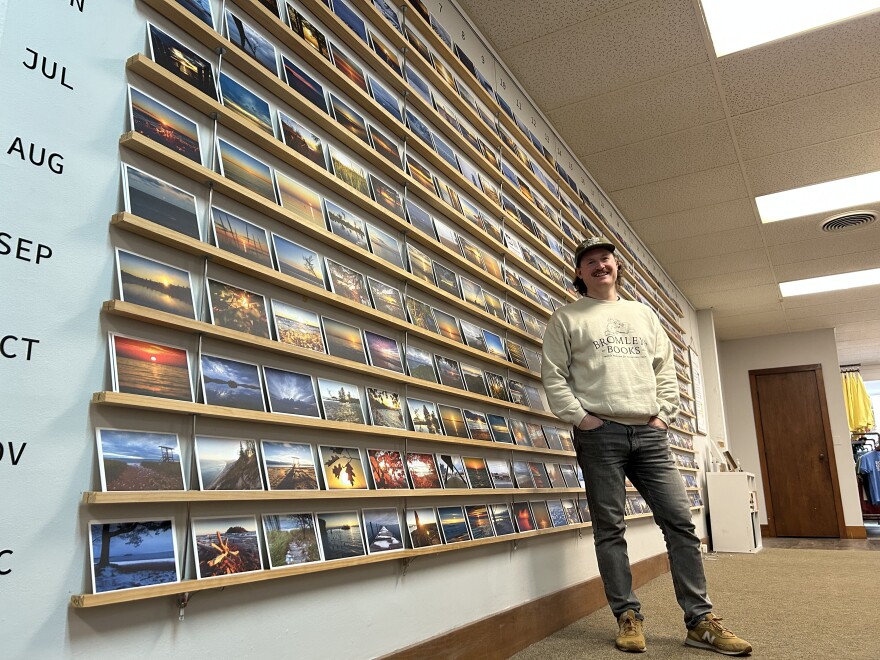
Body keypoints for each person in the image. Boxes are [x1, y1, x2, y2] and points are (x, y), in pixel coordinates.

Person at [541, 236, 752, 656]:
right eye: (590, 262)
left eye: (606, 259)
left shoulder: (644, 314)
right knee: (610, 530)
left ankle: (700, 621)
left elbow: (665, 371)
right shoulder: (567, 318)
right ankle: (627, 616)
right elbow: (553, 376)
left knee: (679, 523)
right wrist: (584, 419)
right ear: (579, 273)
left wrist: (663, 416)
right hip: (600, 435)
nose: (601, 265)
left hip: (650, 435)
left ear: (616, 267)